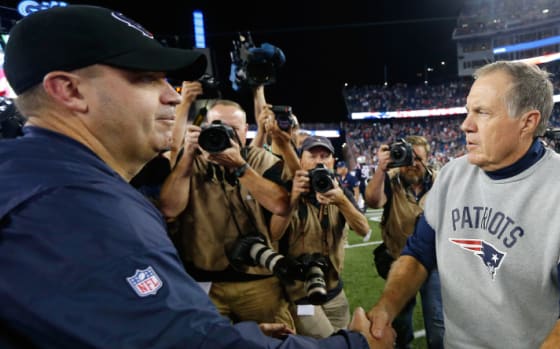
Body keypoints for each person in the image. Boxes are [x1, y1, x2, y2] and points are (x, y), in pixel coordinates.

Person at [0, 5, 395, 348]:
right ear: (69, 91)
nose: (172, 96)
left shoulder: (35, 174)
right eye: (146, 78)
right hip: (210, 282)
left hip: (255, 284)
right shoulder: (77, 204)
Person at [368, 60, 560, 348]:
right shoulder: (451, 175)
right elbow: (419, 253)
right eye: (467, 112)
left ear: (528, 121)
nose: (465, 125)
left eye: (482, 112)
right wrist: (387, 306)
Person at [158, 97, 297, 328]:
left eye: (233, 129)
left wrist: (240, 167)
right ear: (203, 129)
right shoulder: (191, 161)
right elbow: (169, 209)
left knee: (276, 340)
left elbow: (281, 205)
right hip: (205, 281)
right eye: (217, 126)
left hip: (259, 278)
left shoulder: (260, 159)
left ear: (245, 131)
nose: (225, 134)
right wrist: (188, 157)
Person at [269, 136, 372, 338]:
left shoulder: (340, 191)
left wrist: (342, 201)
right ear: (301, 160)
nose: (319, 161)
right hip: (300, 292)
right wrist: (293, 197)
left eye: (325, 156)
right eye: (313, 155)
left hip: (334, 289)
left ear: (333, 161)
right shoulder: (287, 189)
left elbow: (364, 230)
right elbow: (274, 234)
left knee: (342, 340)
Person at [364, 135, 444, 349]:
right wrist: (381, 169)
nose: (412, 163)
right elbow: (373, 200)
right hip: (399, 262)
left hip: (433, 265)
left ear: (428, 159)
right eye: (407, 157)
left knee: (437, 327)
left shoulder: (440, 181)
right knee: (400, 327)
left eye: (418, 158)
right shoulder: (390, 180)